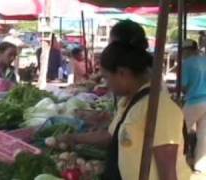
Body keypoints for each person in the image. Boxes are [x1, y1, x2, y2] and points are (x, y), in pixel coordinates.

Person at [58, 42, 191, 180]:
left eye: (106, 77)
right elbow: (111, 136)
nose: (106, 84)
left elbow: (168, 172)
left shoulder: (159, 108)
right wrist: (74, 138)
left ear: (122, 73)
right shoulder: (129, 102)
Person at [182, 39, 206, 174]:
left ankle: (179, 160)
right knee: (204, 134)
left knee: (179, 130)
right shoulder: (204, 60)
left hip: (193, 101)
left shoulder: (187, 63)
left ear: (186, 50)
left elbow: (184, 86)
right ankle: (200, 166)